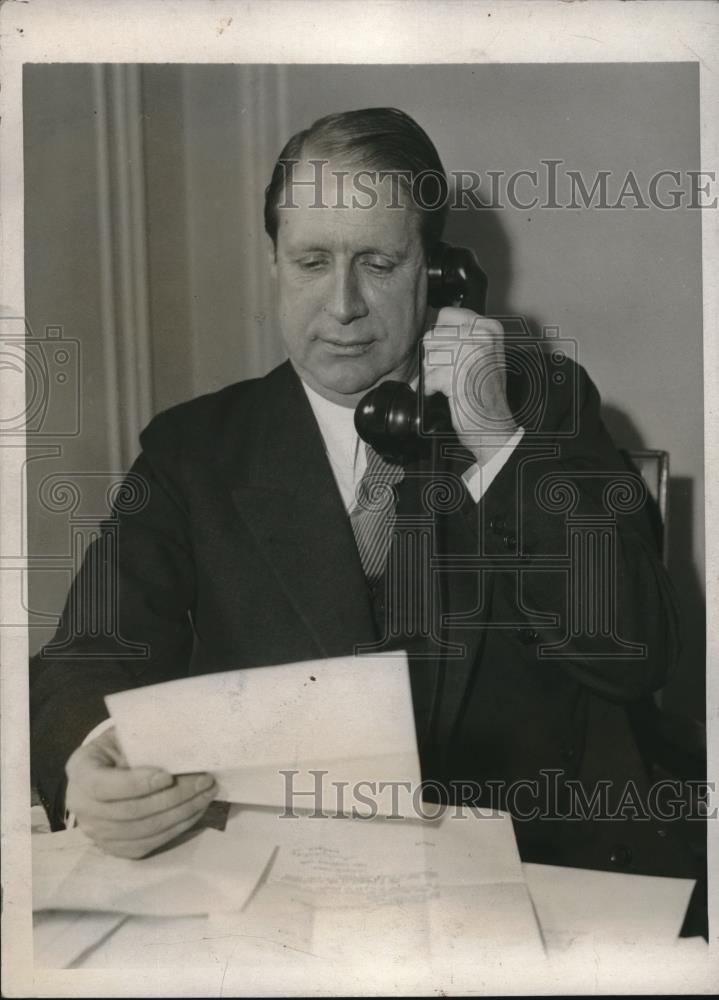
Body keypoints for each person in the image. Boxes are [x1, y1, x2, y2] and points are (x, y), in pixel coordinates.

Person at [30, 107, 696, 876]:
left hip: (532, 866)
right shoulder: (195, 450)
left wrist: (498, 447)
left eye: (377, 265)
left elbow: (633, 656)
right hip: (289, 873)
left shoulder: (542, 404)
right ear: (275, 264)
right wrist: (89, 769)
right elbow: (84, 655)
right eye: (312, 262)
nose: (342, 305)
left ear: (438, 273)